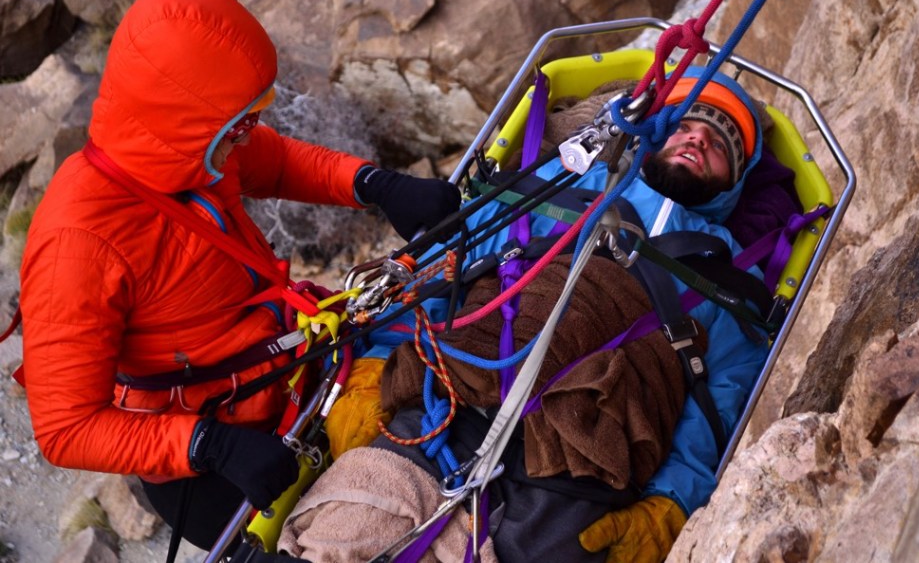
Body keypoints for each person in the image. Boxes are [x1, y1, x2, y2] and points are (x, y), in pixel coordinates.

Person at [276, 68, 799, 562]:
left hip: (584, 468)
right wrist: (375, 370)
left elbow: (716, 405)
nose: (699, 139)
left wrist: (670, 505)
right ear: (653, 129)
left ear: (735, 183)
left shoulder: (729, 276)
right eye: (684, 123)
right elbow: (443, 272)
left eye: (724, 145)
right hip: (445, 407)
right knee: (339, 534)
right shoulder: (556, 182)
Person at [16, 0, 461, 555]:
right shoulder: (76, 244)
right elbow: (65, 428)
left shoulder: (190, 152)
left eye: (252, 115)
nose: (250, 133)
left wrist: (375, 184)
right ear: (182, 121)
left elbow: (273, 160)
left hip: (290, 376)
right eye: (239, 123)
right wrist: (209, 446)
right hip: (213, 471)